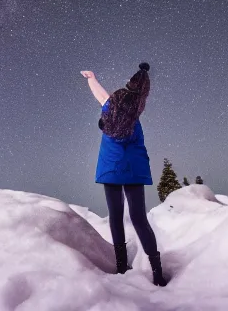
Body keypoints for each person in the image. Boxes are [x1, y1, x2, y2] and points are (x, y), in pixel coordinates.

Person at [80, 62, 167, 287]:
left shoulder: (111, 104)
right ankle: (157, 272)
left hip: (110, 169)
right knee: (139, 218)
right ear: (144, 93)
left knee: (116, 217)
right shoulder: (136, 112)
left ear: (128, 83)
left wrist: (91, 78)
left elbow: (101, 95)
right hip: (133, 170)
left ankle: (121, 267)